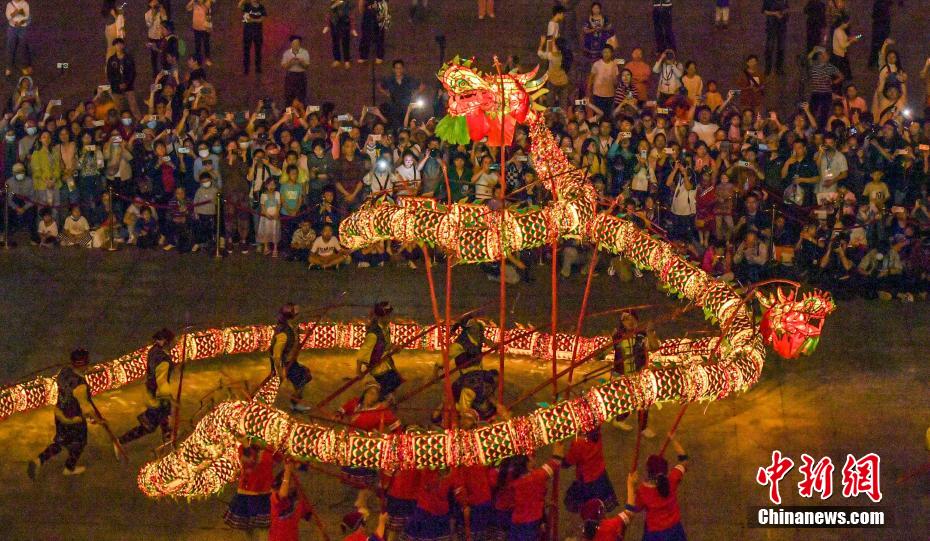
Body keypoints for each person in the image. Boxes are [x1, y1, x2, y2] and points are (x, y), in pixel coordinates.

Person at [28, 349, 104, 479]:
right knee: (80, 443)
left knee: (60, 442)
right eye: (87, 363)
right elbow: (86, 408)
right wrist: (97, 419)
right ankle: (69, 468)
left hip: (59, 413)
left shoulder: (63, 372)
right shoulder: (81, 385)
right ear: (84, 364)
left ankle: (38, 461)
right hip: (74, 420)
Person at [118, 328, 176, 446]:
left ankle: (167, 435)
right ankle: (122, 440)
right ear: (165, 341)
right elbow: (162, 381)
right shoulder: (163, 359)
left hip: (151, 388)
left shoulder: (153, 351)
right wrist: (167, 396)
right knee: (151, 423)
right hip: (158, 392)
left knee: (164, 414)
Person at [610, 310, 659, 438]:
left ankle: (643, 428)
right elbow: (602, 353)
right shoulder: (617, 336)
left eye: (633, 319)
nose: (630, 321)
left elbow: (655, 347)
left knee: (644, 401)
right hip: (620, 375)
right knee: (628, 403)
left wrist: (650, 332)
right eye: (626, 319)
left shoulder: (642, 335)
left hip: (639, 374)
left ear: (637, 320)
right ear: (622, 322)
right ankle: (619, 420)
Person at [630, 436, 689, 541]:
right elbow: (684, 460)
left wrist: (631, 485)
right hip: (675, 528)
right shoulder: (672, 479)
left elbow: (634, 508)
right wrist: (673, 439)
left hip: (655, 533)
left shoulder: (643, 491)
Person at [225, 441, 279, 538]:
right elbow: (248, 463)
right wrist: (248, 446)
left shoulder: (271, 448)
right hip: (247, 493)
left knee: (264, 531)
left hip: (265, 494)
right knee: (248, 531)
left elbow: (277, 460)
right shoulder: (244, 447)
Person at [269, 303, 313, 412]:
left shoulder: (289, 326)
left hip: (291, 362)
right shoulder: (283, 333)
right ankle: (294, 405)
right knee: (304, 376)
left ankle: (295, 402)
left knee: (304, 376)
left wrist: (305, 332)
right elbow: (276, 355)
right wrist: (280, 371)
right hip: (286, 363)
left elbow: (294, 333)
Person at [563, 429, 619, 515]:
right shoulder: (597, 433)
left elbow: (568, 461)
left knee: (588, 507)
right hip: (601, 475)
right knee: (599, 504)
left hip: (587, 480)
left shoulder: (579, 442)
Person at [356, 301, 403, 398]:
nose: (391, 318)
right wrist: (359, 371)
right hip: (377, 366)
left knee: (396, 381)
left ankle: (382, 399)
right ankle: (374, 402)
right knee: (390, 384)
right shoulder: (373, 334)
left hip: (386, 363)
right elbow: (363, 352)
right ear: (381, 317)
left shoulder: (386, 328)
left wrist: (394, 347)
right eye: (388, 316)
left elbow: (386, 345)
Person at [269, 461, 312, 541]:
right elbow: (283, 495)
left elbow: (309, 516)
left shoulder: (298, 500)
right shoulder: (275, 497)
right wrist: (287, 471)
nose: (295, 482)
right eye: (291, 480)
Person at [106, 38, 140, 119]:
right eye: (117, 44)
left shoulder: (129, 58)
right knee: (118, 108)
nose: (119, 46)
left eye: (120, 44)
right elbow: (110, 75)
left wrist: (127, 83)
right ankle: (120, 124)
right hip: (116, 88)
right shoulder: (111, 59)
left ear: (123, 45)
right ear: (114, 46)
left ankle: (139, 121)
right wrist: (117, 84)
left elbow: (132, 72)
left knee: (133, 106)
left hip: (128, 87)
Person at [587, 45, 619, 116]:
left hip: (610, 95)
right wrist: (589, 91)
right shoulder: (596, 64)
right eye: (605, 52)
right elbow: (591, 78)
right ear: (602, 53)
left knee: (607, 115)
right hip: (598, 94)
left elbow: (615, 81)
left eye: (608, 52)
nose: (606, 54)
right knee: (597, 114)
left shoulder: (614, 65)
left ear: (612, 53)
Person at [323, 0, 354, 69]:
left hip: (345, 21)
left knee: (345, 41)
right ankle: (337, 59)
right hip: (334, 22)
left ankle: (347, 60)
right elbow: (329, 10)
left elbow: (350, 8)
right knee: (335, 41)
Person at [281, 35, 310, 106]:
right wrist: (291, 62)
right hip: (290, 75)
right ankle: (289, 114)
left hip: (301, 75)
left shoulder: (305, 52)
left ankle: (301, 113)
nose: (295, 45)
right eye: (294, 44)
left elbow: (307, 66)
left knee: (301, 96)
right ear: (291, 44)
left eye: (297, 44)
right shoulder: (287, 53)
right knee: (289, 96)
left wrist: (301, 62)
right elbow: (284, 66)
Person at [239, 0, 266, 75]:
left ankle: (258, 68)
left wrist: (252, 20)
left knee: (258, 51)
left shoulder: (261, 7)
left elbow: (262, 19)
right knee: (246, 51)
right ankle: (246, 69)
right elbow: (240, 6)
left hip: (257, 33)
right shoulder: (247, 6)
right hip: (247, 32)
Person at [5, 0, 31, 76]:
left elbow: (27, 17)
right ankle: (9, 67)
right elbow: (8, 16)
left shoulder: (25, 4)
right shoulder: (10, 4)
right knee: (10, 48)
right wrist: (15, 14)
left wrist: (20, 23)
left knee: (23, 48)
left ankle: (24, 66)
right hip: (12, 28)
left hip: (22, 28)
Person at [762, 0, 788, 76]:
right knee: (769, 47)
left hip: (782, 26)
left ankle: (779, 69)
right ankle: (768, 68)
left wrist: (784, 12)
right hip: (771, 26)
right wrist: (774, 14)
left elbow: (787, 8)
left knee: (781, 48)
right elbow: (764, 11)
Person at [831, 14, 859, 83]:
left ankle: (845, 80)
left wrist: (850, 38)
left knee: (844, 69)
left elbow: (845, 38)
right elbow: (843, 45)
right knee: (842, 70)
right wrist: (851, 41)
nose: (848, 25)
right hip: (839, 55)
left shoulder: (840, 30)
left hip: (841, 54)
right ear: (843, 23)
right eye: (847, 23)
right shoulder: (839, 32)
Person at [358, 0, 389, 65]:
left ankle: (379, 54)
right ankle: (364, 55)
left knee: (379, 32)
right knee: (365, 31)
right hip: (368, 8)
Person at [257, 178, 281, 257]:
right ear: (266, 185)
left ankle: (275, 248)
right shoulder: (263, 195)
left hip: (275, 216)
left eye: (273, 184)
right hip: (266, 216)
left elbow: (278, 204)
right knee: (266, 231)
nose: (272, 186)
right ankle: (266, 247)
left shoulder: (277, 194)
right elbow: (262, 205)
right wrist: (266, 214)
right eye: (270, 184)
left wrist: (277, 213)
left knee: (275, 231)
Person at [186, 0, 214, 66]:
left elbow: (207, 10)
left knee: (206, 44)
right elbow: (187, 8)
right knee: (197, 45)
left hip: (205, 27)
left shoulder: (207, 1)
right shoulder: (195, 3)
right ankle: (198, 60)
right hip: (196, 27)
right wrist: (192, 1)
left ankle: (207, 59)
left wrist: (201, 3)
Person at [144, 0, 167, 77]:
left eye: (156, 5)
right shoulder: (147, 14)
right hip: (152, 38)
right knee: (154, 56)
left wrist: (163, 12)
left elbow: (165, 21)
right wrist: (153, 16)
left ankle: (164, 70)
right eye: (153, 5)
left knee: (163, 54)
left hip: (161, 37)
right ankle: (155, 72)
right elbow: (148, 25)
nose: (154, 7)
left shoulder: (161, 12)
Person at [869, 0, 892, 69]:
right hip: (881, 28)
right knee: (880, 46)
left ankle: (874, 62)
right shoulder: (883, 6)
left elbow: (873, 15)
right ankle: (878, 63)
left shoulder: (878, 4)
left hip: (878, 27)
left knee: (876, 46)